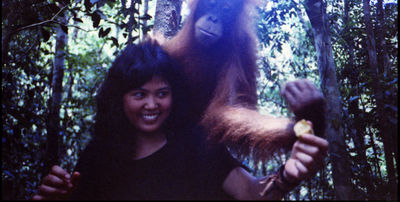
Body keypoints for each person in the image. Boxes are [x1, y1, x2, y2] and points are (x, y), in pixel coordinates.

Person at [32, 41, 328, 200]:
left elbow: (251, 193)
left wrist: (287, 176)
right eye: (139, 94)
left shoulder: (197, 144)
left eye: (162, 93)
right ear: (119, 98)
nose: (152, 104)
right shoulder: (99, 156)